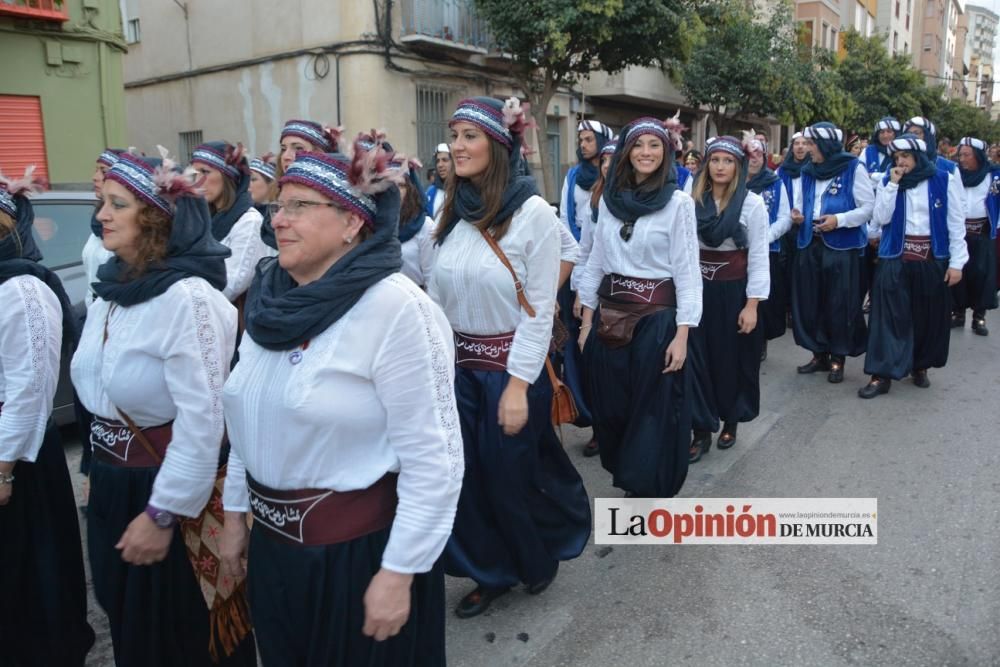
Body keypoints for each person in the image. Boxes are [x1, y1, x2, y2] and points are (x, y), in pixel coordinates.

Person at [218, 142, 461, 666]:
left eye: (301, 206)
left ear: (352, 223)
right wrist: (235, 518)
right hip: (275, 557)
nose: (279, 219)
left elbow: (434, 460)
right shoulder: (269, 305)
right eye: (278, 205)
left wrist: (400, 572)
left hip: (357, 558)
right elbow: (247, 418)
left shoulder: (397, 309)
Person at [70, 152, 254, 666]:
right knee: (128, 624)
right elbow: (97, 391)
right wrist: (98, 465)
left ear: (155, 218)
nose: (101, 215)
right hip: (113, 484)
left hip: (167, 490)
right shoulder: (111, 290)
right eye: (102, 202)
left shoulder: (188, 299)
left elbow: (205, 420)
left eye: (117, 204)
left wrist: (162, 512)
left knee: (177, 636)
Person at [428, 96, 591, 619]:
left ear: (499, 146)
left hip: (508, 371)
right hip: (458, 371)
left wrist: (519, 385)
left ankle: (537, 556)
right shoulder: (449, 211)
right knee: (468, 479)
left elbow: (540, 310)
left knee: (509, 478)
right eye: (454, 135)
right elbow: (435, 299)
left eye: (469, 136)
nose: (457, 145)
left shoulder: (533, 214)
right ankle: (491, 571)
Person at [0, 169, 96, 667]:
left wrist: (5, 467)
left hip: (19, 459)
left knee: (29, 580)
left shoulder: (21, 286)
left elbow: (30, 388)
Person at [576, 116, 701, 496]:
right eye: (638, 145)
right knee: (612, 407)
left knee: (651, 410)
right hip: (610, 320)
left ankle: (645, 484)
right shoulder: (610, 201)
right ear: (626, 151)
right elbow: (595, 260)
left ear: (665, 153)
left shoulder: (678, 204)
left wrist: (682, 335)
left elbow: (687, 270)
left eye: (654, 146)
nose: (645, 153)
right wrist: (584, 320)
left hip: (656, 322)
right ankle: (627, 469)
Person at [859, 135, 967, 397]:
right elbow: (881, 217)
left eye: (905, 156)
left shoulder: (943, 179)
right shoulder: (889, 181)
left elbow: (955, 223)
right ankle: (881, 375)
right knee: (886, 318)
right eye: (896, 158)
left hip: (931, 259)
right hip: (894, 258)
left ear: (918, 157)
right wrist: (892, 185)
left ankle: (920, 365)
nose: (900, 162)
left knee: (926, 317)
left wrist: (957, 263)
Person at [687, 134, 769, 461]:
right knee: (696, 360)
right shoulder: (689, 198)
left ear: (738, 166)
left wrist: (752, 305)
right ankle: (700, 430)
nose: (721, 167)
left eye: (728, 161)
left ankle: (731, 420)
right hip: (696, 288)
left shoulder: (752, 204)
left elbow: (760, 257)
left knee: (731, 360)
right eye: (715, 160)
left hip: (734, 289)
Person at [791, 122, 874, 383]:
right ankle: (819, 354)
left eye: (811, 144)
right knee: (811, 300)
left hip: (841, 246)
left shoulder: (852, 167)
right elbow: (801, 202)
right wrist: (796, 214)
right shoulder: (807, 170)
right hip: (810, 243)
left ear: (824, 145)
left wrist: (839, 220)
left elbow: (868, 207)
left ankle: (838, 357)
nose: (806, 148)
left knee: (839, 303)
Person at [190, 141, 269, 304]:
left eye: (205, 172)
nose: (197, 181)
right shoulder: (201, 218)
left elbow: (231, 286)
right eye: (195, 173)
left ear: (228, 175)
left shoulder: (249, 221)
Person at [261, 119, 342, 251]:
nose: (286, 156)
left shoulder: (331, 200)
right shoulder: (274, 196)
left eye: (298, 148)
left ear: (320, 155)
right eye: (283, 149)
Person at [747, 134, 791, 353]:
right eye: (749, 155)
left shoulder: (775, 182)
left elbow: (785, 217)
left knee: (763, 300)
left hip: (767, 249)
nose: (753, 159)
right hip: (735, 252)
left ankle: (760, 340)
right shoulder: (732, 182)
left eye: (758, 155)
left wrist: (764, 238)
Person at [952, 137, 999, 335]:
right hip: (960, 231)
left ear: (978, 156)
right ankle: (958, 312)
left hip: (982, 231)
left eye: (966, 155)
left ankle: (979, 316)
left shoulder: (993, 175)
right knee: (959, 273)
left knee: (982, 274)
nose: (962, 159)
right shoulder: (955, 175)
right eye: (960, 154)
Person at [396, 156, 437, 287]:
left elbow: (432, 279)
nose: (395, 191)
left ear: (410, 189)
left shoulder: (425, 226)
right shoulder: (374, 225)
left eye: (401, 185)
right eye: (390, 185)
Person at [425, 143, 451, 219]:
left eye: (445, 160)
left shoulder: (465, 190)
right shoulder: (431, 192)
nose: (440, 165)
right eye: (437, 161)